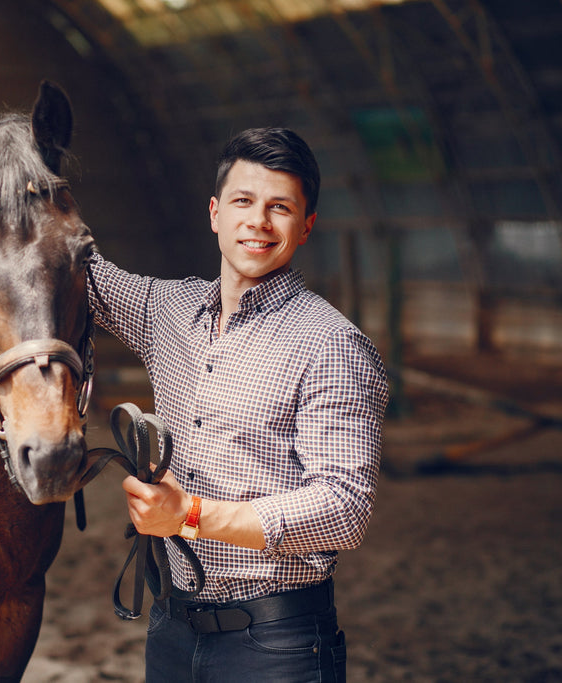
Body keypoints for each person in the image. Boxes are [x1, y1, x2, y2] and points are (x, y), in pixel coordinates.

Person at [87, 127, 388, 682]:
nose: (258, 221)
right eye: (243, 201)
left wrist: (190, 516)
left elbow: (345, 509)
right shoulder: (166, 310)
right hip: (171, 630)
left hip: (276, 645)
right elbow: (76, 270)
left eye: (280, 208)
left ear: (306, 226)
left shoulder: (330, 344)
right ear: (215, 213)